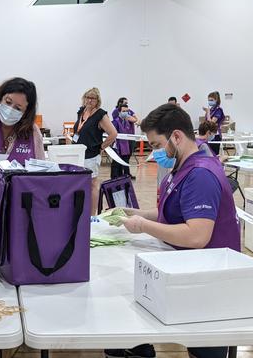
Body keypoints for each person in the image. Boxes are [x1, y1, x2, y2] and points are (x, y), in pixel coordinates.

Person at [106, 103, 239, 358]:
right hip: (187, 268)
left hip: (209, 283)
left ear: (176, 136)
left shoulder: (201, 174)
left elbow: (197, 235)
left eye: (156, 145)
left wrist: (143, 227)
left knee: (205, 350)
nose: (155, 153)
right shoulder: (181, 168)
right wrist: (136, 214)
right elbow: (174, 213)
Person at [74, 88, 118, 212]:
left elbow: (113, 134)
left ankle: (93, 214)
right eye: (88, 97)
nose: (89, 100)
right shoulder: (81, 111)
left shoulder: (100, 114)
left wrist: (101, 147)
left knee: (92, 184)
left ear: (97, 100)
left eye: (93, 98)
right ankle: (81, 210)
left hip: (91, 155)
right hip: (79, 153)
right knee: (79, 183)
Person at [111, 103, 138, 179]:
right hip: (117, 145)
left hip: (126, 145)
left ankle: (125, 176)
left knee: (125, 161)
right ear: (119, 112)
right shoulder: (115, 122)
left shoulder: (127, 122)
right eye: (123, 111)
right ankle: (114, 178)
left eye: (127, 111)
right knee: (116, 163)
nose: (125, 113)